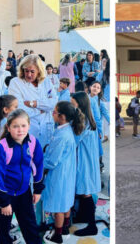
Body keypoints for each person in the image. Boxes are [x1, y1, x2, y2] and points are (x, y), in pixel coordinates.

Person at [0, 109, 45, 244]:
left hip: (24, 192)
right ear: (8, 128)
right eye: (15, 126)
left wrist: (37, 189)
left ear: (29, 126)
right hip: (4, 195)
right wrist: (4, 202)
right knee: (3, 231)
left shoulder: (33, 142)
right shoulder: (1, 148)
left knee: (30, 227)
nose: (20, 130)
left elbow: (38, 166)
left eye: (23, 125)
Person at [42, 101, 84, 244]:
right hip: (67, 171)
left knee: (58, 205)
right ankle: (65, 228)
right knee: (65, 201)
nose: (52, 114)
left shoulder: (61, 135)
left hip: (59, 173)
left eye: (54, 112)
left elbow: (52, 160)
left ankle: (57, 235)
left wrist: (40, 165)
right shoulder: (66, 130)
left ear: (62, 116)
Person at [8, 54, 58, 148]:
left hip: (46, 127)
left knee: (43, 157)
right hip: (27, 129)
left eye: (32, 71)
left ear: (39, 71)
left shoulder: (46, 82)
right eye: (26, 71)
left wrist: (34, 104)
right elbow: (19, 109)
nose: (29, 75)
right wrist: (41, 110)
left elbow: (54, 103)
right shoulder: (16, 82)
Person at [70, 92, 100, 237]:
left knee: (85, 191)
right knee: (84, 190)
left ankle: (92, 225)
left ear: (79, 103)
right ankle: (85, 218)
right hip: (87, 159)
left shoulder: (83, 121)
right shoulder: (89, 118)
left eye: (73, 102)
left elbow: (74, 140)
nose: (71, 104)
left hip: (84, 160)